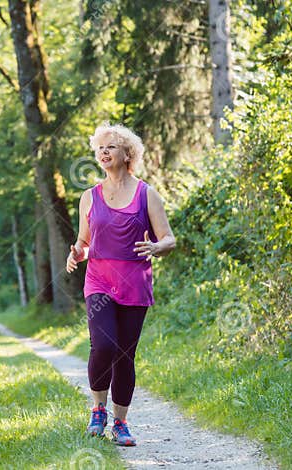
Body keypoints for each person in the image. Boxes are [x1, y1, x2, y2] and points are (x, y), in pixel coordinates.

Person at [66, 123, 176, 446]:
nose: (104, 152)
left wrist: (157, 247)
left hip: (135, 283)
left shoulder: (147, 194)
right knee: (103, 346)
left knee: (125, 355)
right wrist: (76, 253)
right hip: (99, 280)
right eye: (100, 148)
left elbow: (169, 238)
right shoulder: (89, 197)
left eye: (111, 147)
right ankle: (98, 409)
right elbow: (83, 242)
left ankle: (121, 422)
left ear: (127, 153)